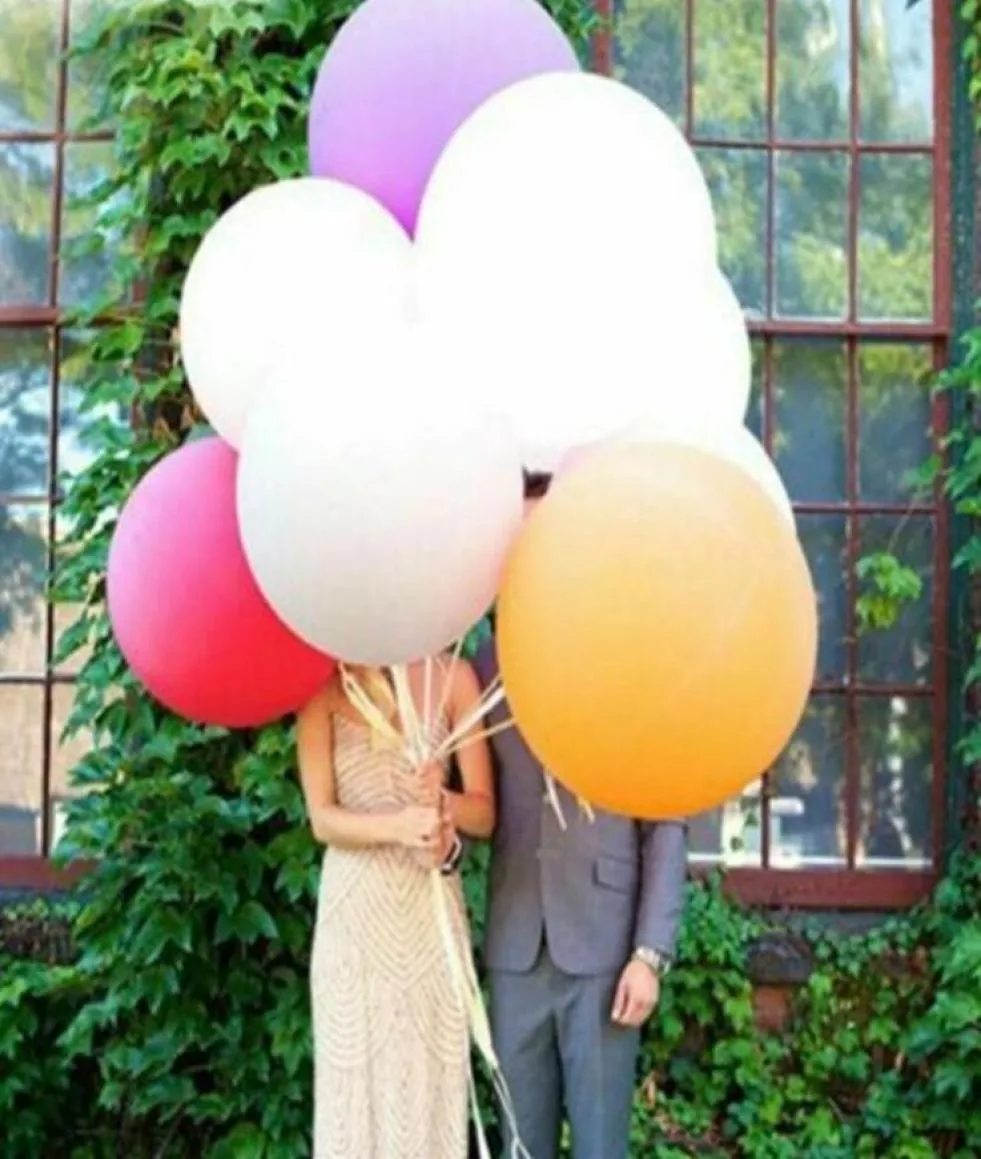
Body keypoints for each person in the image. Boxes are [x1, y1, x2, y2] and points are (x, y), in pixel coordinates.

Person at [474, 470, 688, 1159]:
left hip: (603, 947)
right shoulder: (484, 665)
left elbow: (666, 818)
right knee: (518, 1147)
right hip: (514, 944)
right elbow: (469, 798)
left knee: (601, 1146)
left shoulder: (628, 660)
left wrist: (648, 954)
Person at [297, 658, 496, 1159]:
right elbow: (322, 819)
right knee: (354, 1085)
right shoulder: (322, 684)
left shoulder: (454, 676)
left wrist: (443, 802)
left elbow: (485, 812)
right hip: (355, 916)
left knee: (429, 1083)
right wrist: (398, 826)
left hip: (429, 912)